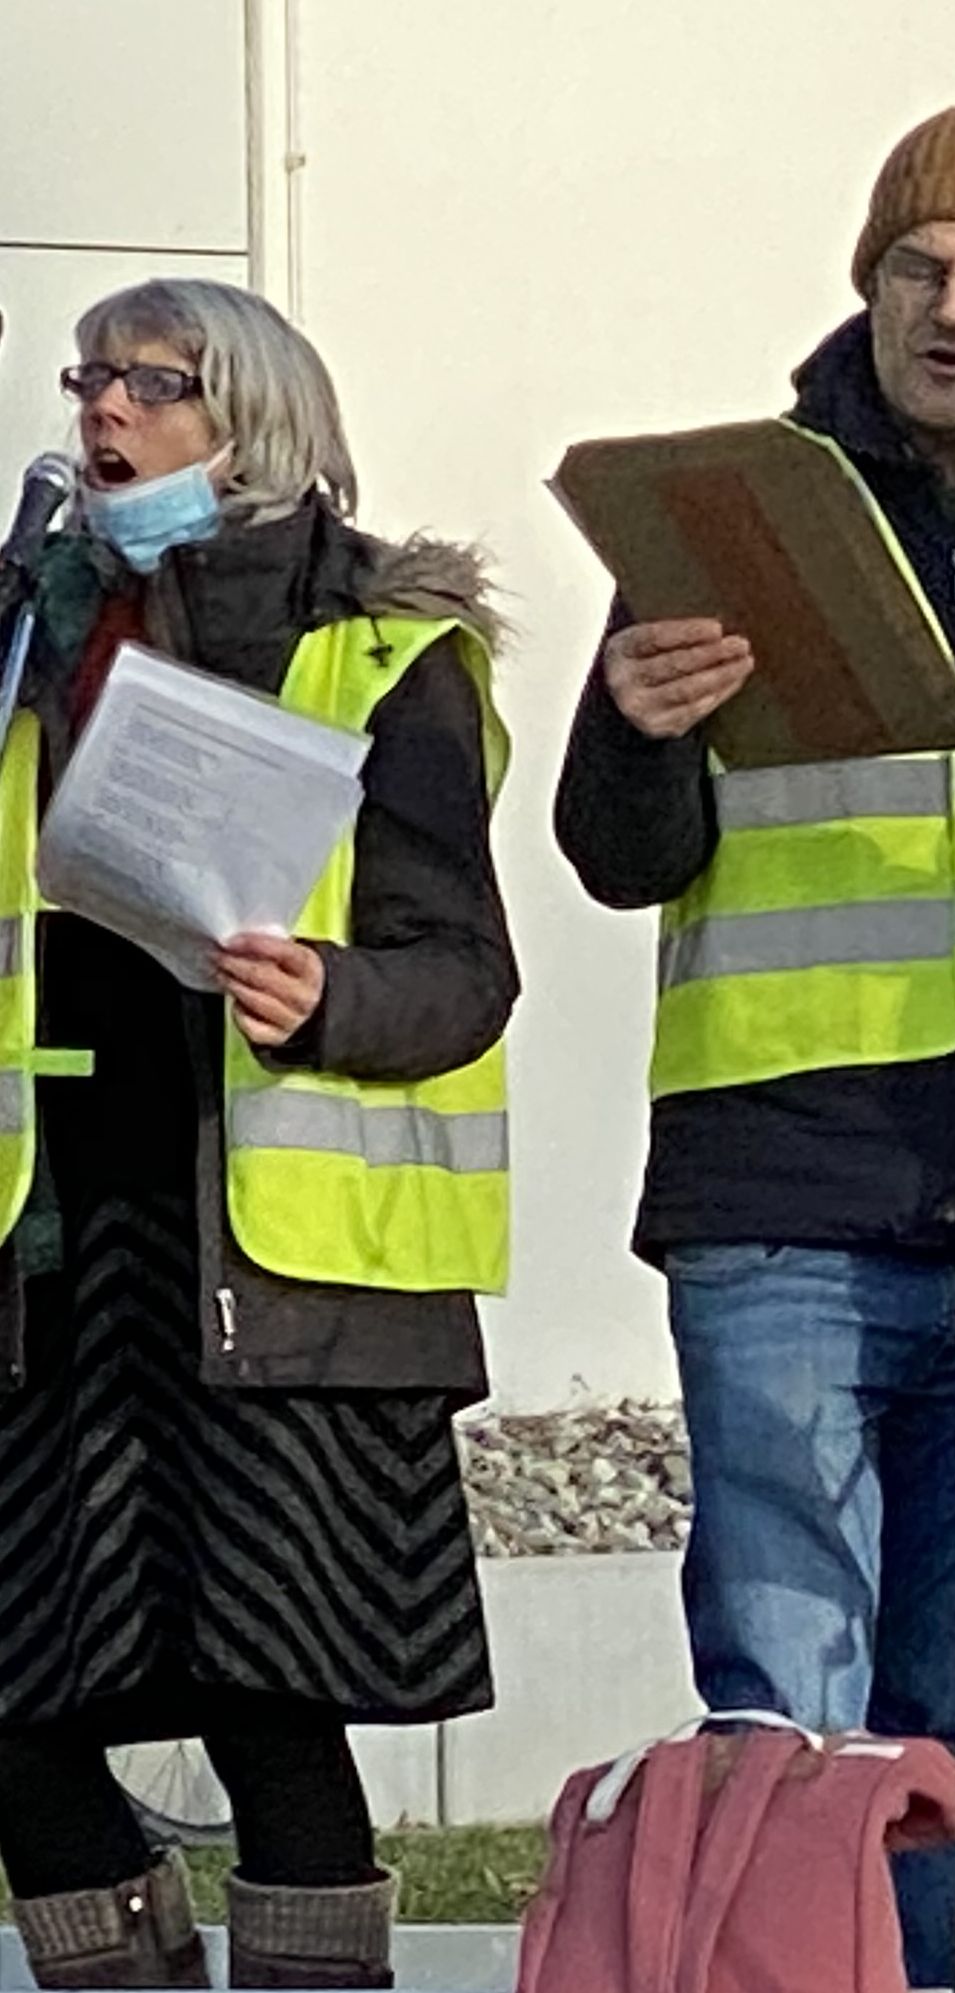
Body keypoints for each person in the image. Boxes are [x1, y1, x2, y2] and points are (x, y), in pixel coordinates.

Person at [551, 104, 955, 1986]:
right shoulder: (728, 514)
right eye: (919, 267)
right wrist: (636, 722)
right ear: (866, 283)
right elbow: (620, 856)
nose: (952, 306)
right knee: (785, 1694)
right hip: (783, 1183)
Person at [0, 279, 514, 1988]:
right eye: (92, 379)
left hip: (277, 1273)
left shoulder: (378, 647)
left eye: (154, 383)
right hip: (60, 1247)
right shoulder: (29, 628)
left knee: (264, 1698)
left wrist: (329, 995)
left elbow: (462, 972)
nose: (104, 412)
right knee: (21, 1694)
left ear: (257, 421)